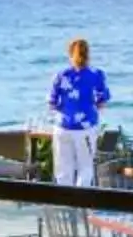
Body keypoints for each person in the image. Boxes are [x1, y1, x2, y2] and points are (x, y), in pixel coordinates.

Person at [47, 37, 111, 188]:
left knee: (63, 169)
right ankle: (80, 206)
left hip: (63, 127)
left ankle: (65, 203)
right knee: (85, 168)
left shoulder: (61, 76)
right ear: (88, 55)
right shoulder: (97, 75)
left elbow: (52, 103)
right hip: (86, 128)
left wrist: (68, 109)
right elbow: (102, 101)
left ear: (70, 54)